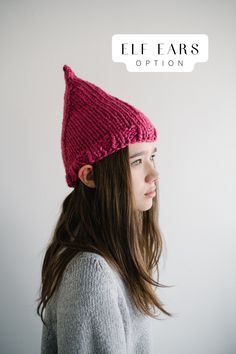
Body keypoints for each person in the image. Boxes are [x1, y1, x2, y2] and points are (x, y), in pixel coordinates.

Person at [36, 65, 173, 354]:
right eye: (137, 161)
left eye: (153, 156)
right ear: (90, 176)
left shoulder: (111, 260)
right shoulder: (90, 274)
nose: (154, 173)